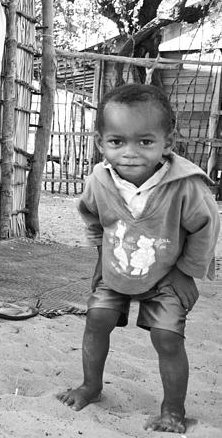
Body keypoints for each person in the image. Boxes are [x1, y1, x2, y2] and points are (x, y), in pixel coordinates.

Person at [58, 83, 218, 433]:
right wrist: (102, 259)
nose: (130, 152)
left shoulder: (184, 186)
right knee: (96, 317)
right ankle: (91, 386)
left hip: (167, 275)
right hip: (116, 270)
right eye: (117, 142)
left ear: (168, 143)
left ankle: (173, 409)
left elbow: (206, 227)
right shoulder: (99, 181)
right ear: (101, 143)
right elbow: (93, 218)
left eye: (145, 141)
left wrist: (186, 272)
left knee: (167, 338)